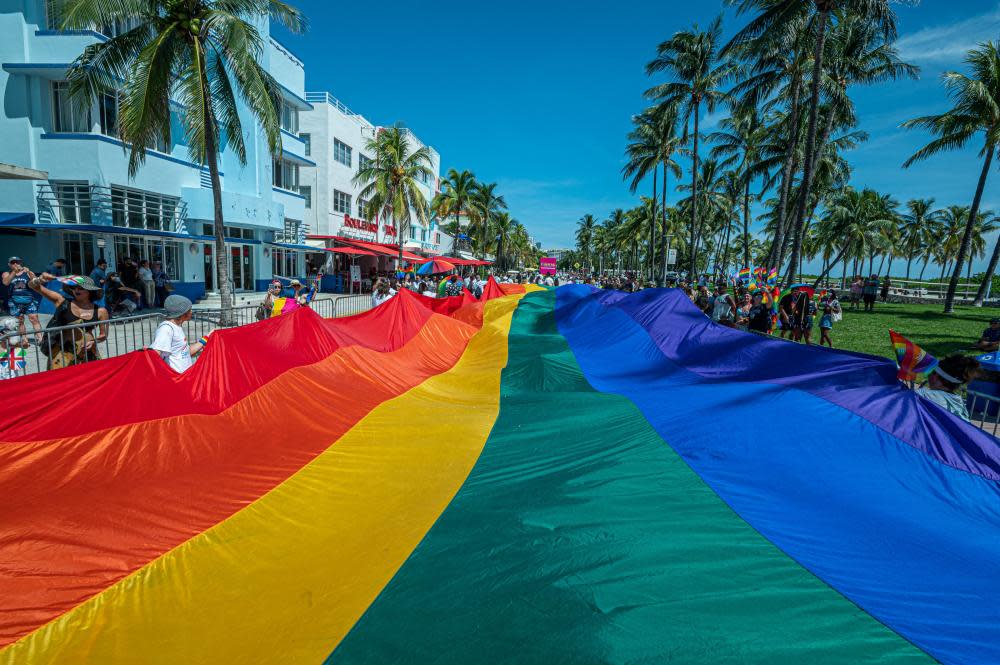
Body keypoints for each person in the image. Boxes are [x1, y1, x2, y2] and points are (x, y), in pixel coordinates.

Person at [30, 273, 108, 370]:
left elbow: (103, 335)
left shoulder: (101, 311)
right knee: (59, 380)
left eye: (80, 288)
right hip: (61, 353)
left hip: (87, 353)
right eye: (74, 287)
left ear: (89, 291)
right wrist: (40, 280)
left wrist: (93, 341)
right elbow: (33, 286)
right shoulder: (62, 301)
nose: (76, 290)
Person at [150, 294, 208, 373]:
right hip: (175, 379)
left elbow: (187, 352)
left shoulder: (176, 327)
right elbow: (154, 355)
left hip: (184, 377)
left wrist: (206, 338)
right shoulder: (166, 329)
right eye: (189, 309)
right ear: (182, 313)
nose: (191, 312)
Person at [915, 355, 980, 422]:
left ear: (935, 377)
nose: (928, 375)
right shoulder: (959, 402)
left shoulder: (924, 395)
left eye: (930, 372)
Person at [3, 257, 42, 343]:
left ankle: (40, 338)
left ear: (21, 263)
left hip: (29, 300)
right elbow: (6, 282)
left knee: (34, 318)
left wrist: (29, 273)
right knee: (20, 321)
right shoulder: (7, 273)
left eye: (17, 262)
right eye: (13, 262)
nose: (16, 264)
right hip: (14, 301)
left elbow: (37, 283)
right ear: (9, 265)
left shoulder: (27, 272)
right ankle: (24, 339)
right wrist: (14, 272)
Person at [0, 316, 29, 380]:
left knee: (12, 379)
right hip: (2, 366)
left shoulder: (14, 337)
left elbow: (26, 345)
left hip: (10, 365)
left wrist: (17, 344)